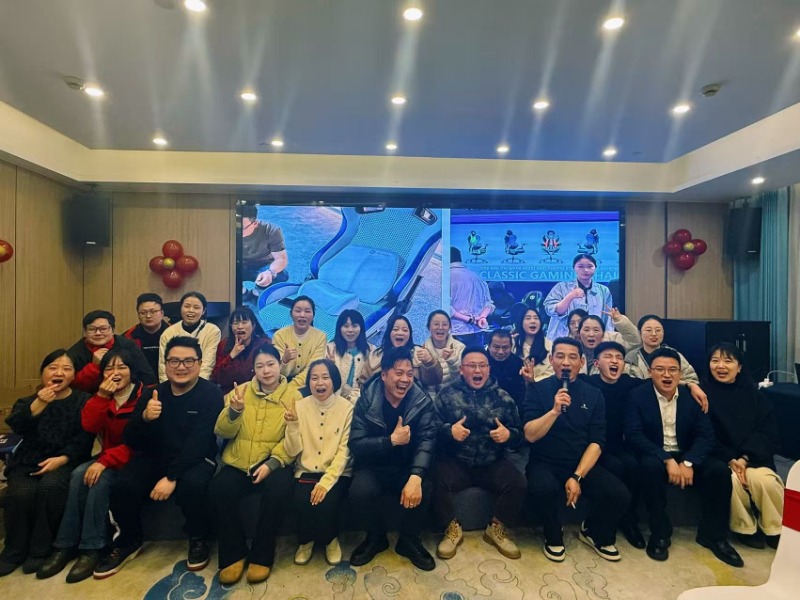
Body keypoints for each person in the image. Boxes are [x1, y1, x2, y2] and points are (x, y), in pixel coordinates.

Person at [95, 337, 223, 579]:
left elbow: (199, 442)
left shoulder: (211, 393)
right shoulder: (153, 393)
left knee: (193, 485)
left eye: (188, 361)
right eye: (174, 361)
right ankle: (129, 540)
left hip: (196, 458)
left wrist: (172, 476)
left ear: (199, 363)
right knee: (124, 483)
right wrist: (144, 418)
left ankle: (198, 538)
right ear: (165, 364)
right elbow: (131, 439)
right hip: (155, 457)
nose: (181, 367)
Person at [624, 347, 743, 567]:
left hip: (687, 452)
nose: (666, 375)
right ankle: (660, 533)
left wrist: (688, 462)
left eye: (673, 370)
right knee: (649, 468)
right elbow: (634, 435)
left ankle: (713, 535)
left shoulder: (692, 397)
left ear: (680, 374)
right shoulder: (637, 396)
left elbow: (706, 436)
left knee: (718, 471)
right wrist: (667, 459)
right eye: (660, 369)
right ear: (650, 372)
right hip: (655, 452)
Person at [37, 349, 145, 583]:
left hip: (134, 458)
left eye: (122, 367)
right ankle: (65, 545)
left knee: (97, 480)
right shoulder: (101, 396)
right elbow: (89, 425)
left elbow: (140, 442)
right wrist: (102, 396)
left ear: (132, 371)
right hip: (108, 456)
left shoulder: (144, 396)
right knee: (78, 474)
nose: (115, 373)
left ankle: (92, 547)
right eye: (109, 368)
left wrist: (104, 462)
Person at [523, 337, 630, 563]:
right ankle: (553, 532)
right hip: (545, 461)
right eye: (560, 356)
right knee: (543, 488)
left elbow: (597, 441)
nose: (566, 362)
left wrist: (577, 476)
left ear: (581, 362)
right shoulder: (537, 389)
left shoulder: (594, 394)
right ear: (551, 360)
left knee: (619, 494)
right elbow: (530, 434)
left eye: (572, 357)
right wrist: (554, 411)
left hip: (580, 461)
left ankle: (592, 530)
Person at [209, 344, 301, 585]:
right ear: (254, 369)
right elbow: (221, 431)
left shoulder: (294, 396)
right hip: (239, 462)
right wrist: (234, 411)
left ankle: (262, 553)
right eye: (260, 366)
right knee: (219, 488)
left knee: (279, 489)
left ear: (280, 365)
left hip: (274, 462)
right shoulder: (240, 392)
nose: (266, 371)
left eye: (270, 364)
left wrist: (272, 463)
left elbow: (293, 440)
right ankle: (234, 554)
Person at [0, 351, 93, 577]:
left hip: (64, 460)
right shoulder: (28, 401)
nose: (59, 372)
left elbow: (84, 438)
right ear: (42, 373)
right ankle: (14, 551)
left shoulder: (82, 401)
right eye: (53, 367)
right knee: (20, 494)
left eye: (66, 368)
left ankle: (41, 550)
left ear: (74, 375)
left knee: (51, 488)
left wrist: (62, 459)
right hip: (27, 462)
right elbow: (17, 426)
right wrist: (40, 402)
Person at [348, 347, 438, 571]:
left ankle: (409, 539)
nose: (405, 379)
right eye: (398, 373)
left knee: (424, 485)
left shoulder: (421, 401)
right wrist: (390, 441)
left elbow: (427, 440)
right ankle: (376, 537)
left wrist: (416, 475)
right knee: (359, 490)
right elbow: (356, 443)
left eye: (409, 374)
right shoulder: (367, 400)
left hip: (406, 465)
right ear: (384, 374)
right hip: (373, 465)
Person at [432, 347, 526, 560]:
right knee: (434, 479)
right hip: (456, 461)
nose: (477, 370)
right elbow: (431, 429)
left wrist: (508, 435)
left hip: (492, 461)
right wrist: (449, 431)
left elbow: (520, 434)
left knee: (518, 483)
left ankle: (496, 528)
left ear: (489, 369)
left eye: (482, 365)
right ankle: (451, 528)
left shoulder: (503, 397)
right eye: (471, 365)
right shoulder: (446, 394)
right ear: (461, 370)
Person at [705, 343, 783, 549]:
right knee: (730, 480)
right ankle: (745, 528)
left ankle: (775, 528)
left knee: (765, 481)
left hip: (754, 456)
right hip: (721, 457)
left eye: (728, 361)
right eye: (715, 361)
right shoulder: (703, 394)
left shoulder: (756, 396)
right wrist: (730, 459)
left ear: (739, 367)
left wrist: (745, 458)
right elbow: (704, 433)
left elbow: (766, 432)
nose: (721, 366)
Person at [283, 359, 353, 566]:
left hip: (336, 472)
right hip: (305, 471)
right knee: (302, 500)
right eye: (314, 378)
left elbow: (344, 452)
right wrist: (292, 424)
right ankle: (306, 541)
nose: (319, 383)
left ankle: (331, 540)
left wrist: (326, 482)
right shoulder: (299, 406)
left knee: (328, 502)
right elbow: (291, 451)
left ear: (334, 381)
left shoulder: (347, 408)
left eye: (325, 377)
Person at [585, 341, 649, 549]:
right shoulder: (588, 383)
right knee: (616, 467)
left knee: (635, 466)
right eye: (608, 357)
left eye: (619, 358)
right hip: (593, 445)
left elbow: (659, 380)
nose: (614, 361)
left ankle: (629, 520)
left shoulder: (630, 384)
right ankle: (607, 521)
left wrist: (692, 386)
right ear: (596, 363)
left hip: (620, 444)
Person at [68, 310, 156, 394]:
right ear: (84, 332)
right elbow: (73, 387)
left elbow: (147, 377)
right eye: (92, 329)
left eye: (103, 329)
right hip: (88, 398)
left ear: (113, 330)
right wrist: (94, 366)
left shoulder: (128, 346)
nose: (98, 333)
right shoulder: (75, 353)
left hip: (127, 396)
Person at [543, 254, 614, 341]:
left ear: (595, 268)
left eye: (590, 266)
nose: (585, 270)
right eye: (580, 266)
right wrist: (570, 296)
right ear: (574, 268)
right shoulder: (561, 287)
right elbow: (552, 310)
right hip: (563, 339)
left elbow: (608, 319)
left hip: (592, 339)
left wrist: (607, 340)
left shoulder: (603, 290)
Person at [158, 291, 221, 382]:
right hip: (173, 384)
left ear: (203, 311)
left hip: (201, 384)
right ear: (181, 308)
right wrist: (168, 387)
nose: (191, 310)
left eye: (196, 307)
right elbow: (163, 367)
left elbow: (207, 366)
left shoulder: (212, 331)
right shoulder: (168, 333)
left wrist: (196, 387)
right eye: (187, 306)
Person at [368, 314, 442, 387]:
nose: (400, 333)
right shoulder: (376, 355)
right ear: (389, 333)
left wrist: (429, 362)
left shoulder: (419, 353)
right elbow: (364, 383)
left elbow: (435, 381)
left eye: (405, 330)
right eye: (395, 329)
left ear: (410, 335)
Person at [271, 295, 327, 392]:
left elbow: (312, 369)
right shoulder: (279, 336)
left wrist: (291, 388)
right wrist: (285, 360)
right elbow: (277, 372)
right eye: (298, 311)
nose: (302, 315)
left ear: (313, 315)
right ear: (291, 314)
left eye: (307, 311)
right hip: (280, 382)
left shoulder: (321, 337)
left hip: (307, 383)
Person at [212, 306, 270, 394]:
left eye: (244, 322)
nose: (240, 326)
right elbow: (218, 378)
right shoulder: (224, 345)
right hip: (230, 394)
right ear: (231, 327)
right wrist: (231, 355)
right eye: (236, 323)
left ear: (253, 325)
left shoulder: (264, 344)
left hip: (257, 393)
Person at [625, 315, 699, 383]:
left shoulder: (673, 355)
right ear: (640, 333)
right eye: (648, 330)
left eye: (658, 330)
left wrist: (671, 383)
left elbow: (692, 380)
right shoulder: (631, 359)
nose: (654, 334)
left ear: (663, 332)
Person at [449, 247, 494, 347]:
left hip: (455, 332)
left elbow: (447, 309)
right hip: (477, 331)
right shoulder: (478, 277)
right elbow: (489, 304)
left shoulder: (447, 277)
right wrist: (482, 317)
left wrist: (470, 320)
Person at [240, 204, 289, 297]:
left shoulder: (271, 230)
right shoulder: (226, 231)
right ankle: (242, 292)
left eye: (241, 228)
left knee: (281, 275)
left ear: (255, 224)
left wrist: (270, 272)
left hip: (263, 265)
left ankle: (257, 292)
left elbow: (281, 259)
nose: (236, 231)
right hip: (238, 265)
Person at [326, 310, 374, 403]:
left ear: (361, 328)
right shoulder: (329, 349)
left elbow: (371, 384)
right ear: (339, 328)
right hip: (331, 399)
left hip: (359, 403)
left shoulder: (371, 351)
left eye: (354, 326)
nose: (350, 330)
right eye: (346, 326)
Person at [124, 293, 170, 376]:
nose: (148, 316)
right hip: (140, 380)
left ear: (162, 313)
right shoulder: (128, 337)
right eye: (143, 313)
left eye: (153, 312)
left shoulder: (174, 333)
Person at [422, 310, 466, 395]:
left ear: (449, 327)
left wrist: (452, 360)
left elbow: (461, 379)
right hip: (430, 398)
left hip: (455, 397)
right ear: (429, 327)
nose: (440, 327)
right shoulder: (422, 350)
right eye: (436, 324)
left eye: (445, 324)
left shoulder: (460, 348)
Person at [486, 329, 525, 412]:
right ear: (489, 346)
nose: (501, 352)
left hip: (510, 408)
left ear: (511, 347)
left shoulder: (517, 363)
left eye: (505, 348)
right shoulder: (480, 362)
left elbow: (521, 394)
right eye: (496, 347)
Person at [513, 307, 554, 385]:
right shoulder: (513, 343)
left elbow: (551, 374)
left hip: (542, 388)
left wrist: (533, 380)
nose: (533, 321)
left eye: (536, 318)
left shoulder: (550, 346)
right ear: (521, 322)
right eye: (528, 318)